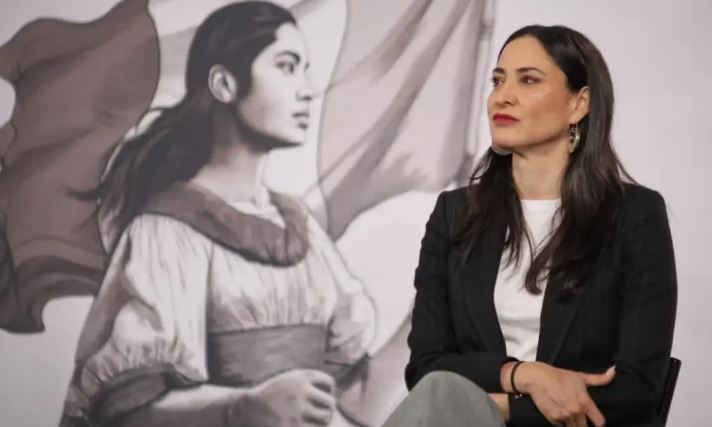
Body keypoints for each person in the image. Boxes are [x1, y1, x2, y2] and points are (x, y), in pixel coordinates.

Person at [59, 2, 376, 426]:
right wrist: (242, 408)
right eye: (287, 67)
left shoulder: (299, 226)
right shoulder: (168, 230)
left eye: (305, 69)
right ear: (224, 84)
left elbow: (359, 399)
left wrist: (437, 291)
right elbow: (126, 413)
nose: (307, 89)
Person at [382, 25, 677, 427]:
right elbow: (427, 368)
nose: (502, 96)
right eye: (497, 81)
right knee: (437, 394)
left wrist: (502, 407)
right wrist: (522, 375)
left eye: (528, 80)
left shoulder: (634, 214)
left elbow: (638, 389)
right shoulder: (454, 213)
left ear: (579, 104)